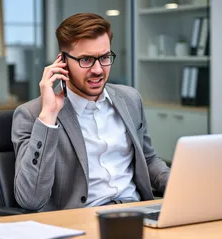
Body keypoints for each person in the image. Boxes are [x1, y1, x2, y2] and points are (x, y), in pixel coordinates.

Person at [12, 13, 170, 212]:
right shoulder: (32, 114)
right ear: (63, 61)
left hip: (137, 213)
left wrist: (179, 185)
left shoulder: (130, 99)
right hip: (82, 219)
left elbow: (147, 160)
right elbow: (30, 199)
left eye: (104, 57)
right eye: (86, 59)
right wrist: (48, 117)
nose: (97, 70)